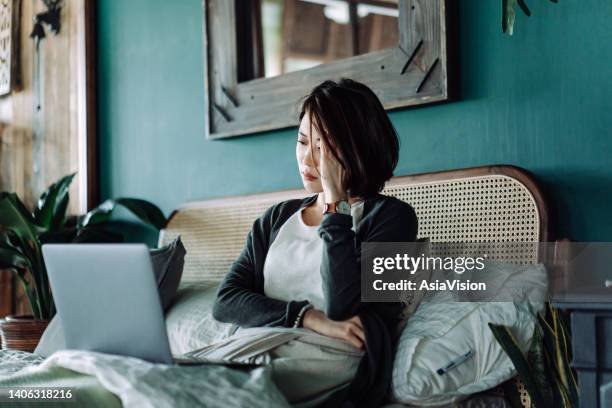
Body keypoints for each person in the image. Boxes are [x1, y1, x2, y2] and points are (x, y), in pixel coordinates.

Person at [212, 78, 418, 407]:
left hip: (329, 360)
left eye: (323, 146)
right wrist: (307, 316)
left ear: (357, 147)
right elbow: (226, 301)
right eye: (303, 141)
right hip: (265, 347)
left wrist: (334, 208)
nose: (308, 159)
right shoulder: (276, 218)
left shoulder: (394, 219)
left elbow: (342, 308)